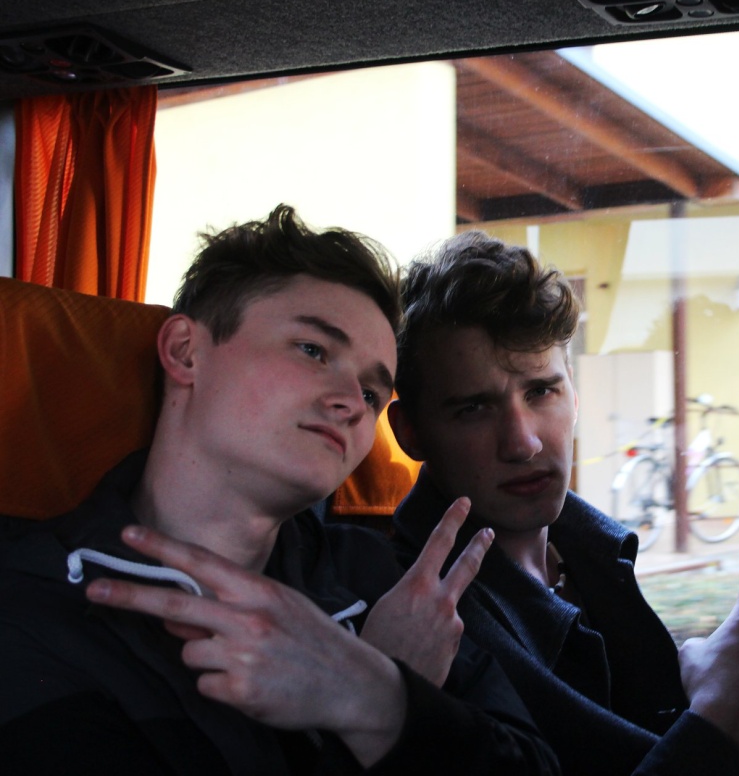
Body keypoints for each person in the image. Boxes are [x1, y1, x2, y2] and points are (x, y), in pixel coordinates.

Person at [0, 207, 558, 774]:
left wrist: (382, 694)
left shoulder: (382, 580)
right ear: (186, 350)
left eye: (371, 393)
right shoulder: (36, 605)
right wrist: (372, 696)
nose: (351, 403)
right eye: (313, 350)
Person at [387, 230, 739, 776]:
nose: (523, 442)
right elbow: (705, 732)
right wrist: (720, 718)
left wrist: (724, 707)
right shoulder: (418, 616)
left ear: (574, 392)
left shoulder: (589, 555)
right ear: (411, 431)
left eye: (541, 392)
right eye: (474, 409)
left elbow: (686, 732)